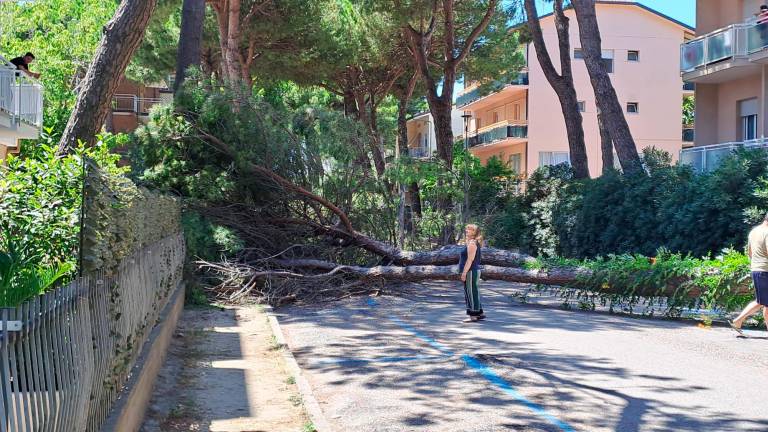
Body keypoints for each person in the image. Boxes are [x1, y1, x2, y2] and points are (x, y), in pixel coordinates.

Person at [730, 213, 768, 335]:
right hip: (765, 270)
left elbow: (749, 252)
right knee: (761, 301)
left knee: (765, 302)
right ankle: (737, 320)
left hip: (757, 269)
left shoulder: (754, 232)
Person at [459, 224, 485, 322]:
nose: (466, 231)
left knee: (470, 293)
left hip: (470, 271)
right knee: (474, 292)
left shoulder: (472, 244)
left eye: (469, 230)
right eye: (466, 229)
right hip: (473, 271)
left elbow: (470, 260)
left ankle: (473, 315)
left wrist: (464, 273)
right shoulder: (472, 242)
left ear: (474, 232)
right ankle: (480, 313)